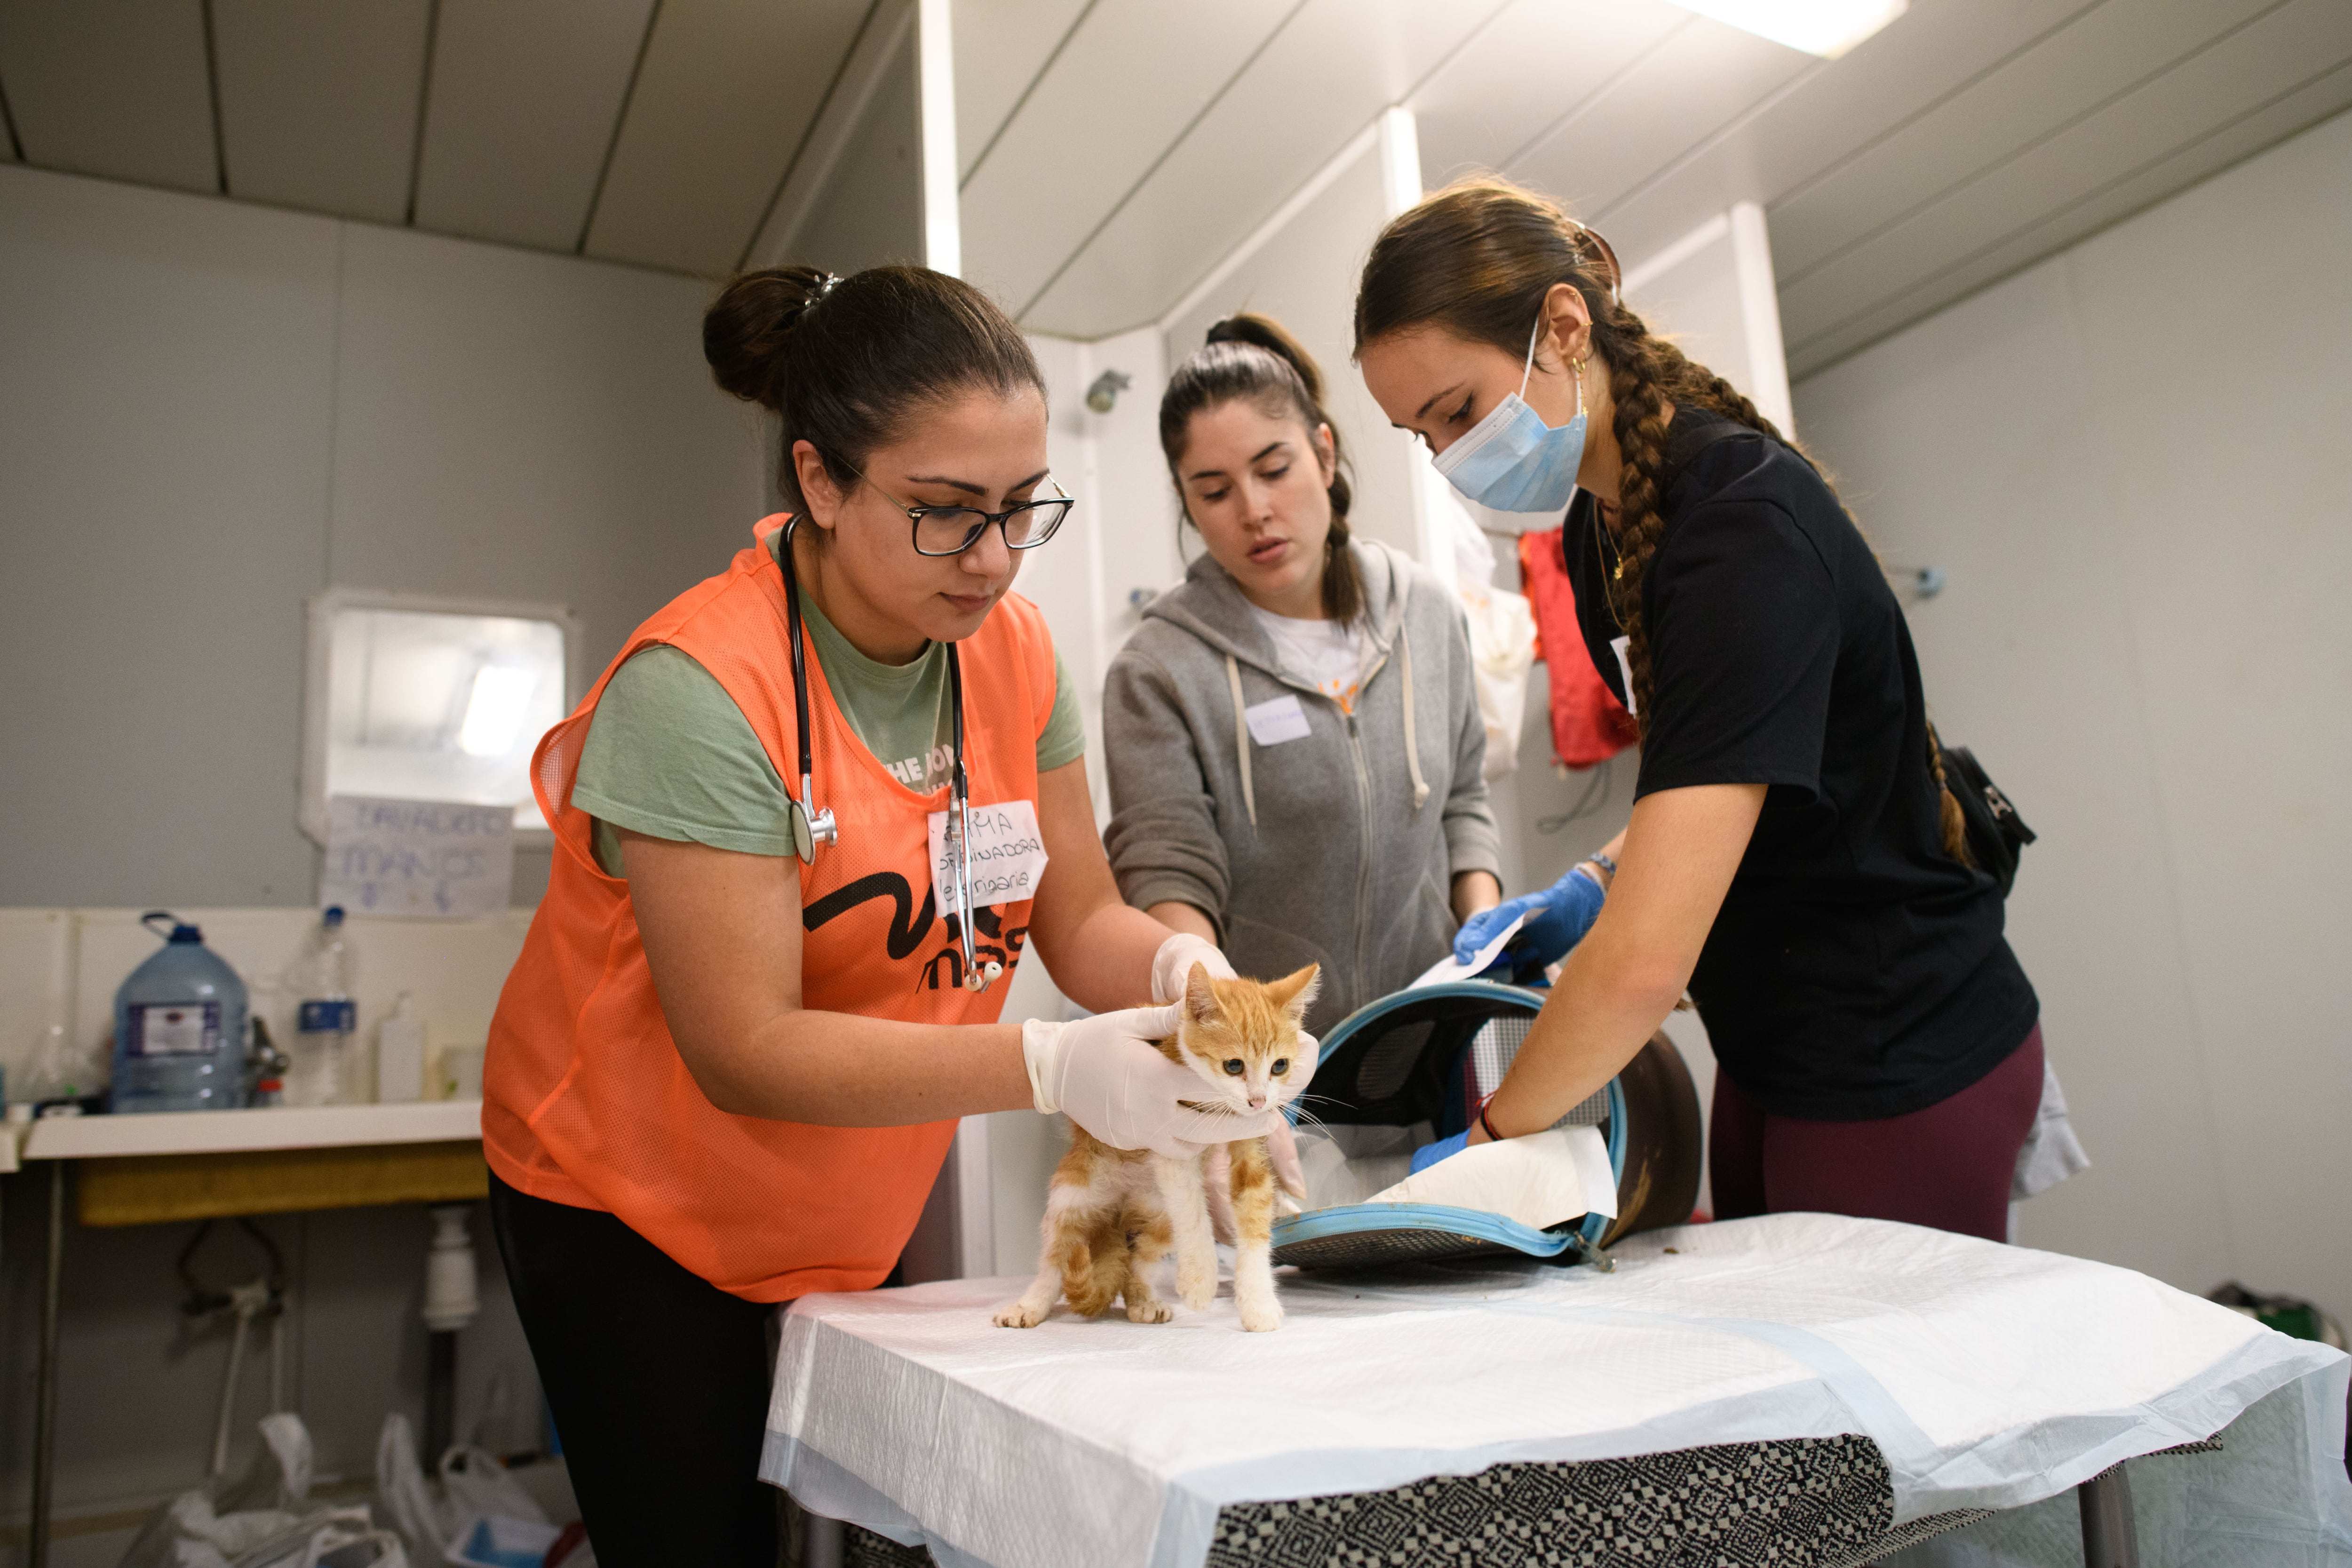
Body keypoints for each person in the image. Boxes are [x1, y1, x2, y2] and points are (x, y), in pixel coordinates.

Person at [482, 265, 1291, 1565]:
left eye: (1023, 510)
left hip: (840, 1190)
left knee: (878, 1524)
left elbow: (1078, 918)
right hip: (625, 1200)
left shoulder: (1016, 651)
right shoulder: (701, 688)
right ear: (818, 482)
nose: (993, 557)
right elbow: (744, 1041)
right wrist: (1049, 1063)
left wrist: (1195, 981)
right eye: (944, 514)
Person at [1354, 180, 2043, 1244]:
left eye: (1456, 409)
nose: (1449, 457)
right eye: (1421, 433)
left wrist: (1491, 1152)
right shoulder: (1606, 525)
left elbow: (1640, 970)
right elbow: (1718, 772)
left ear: (1563, 325)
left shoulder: (1739, 528)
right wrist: (1593, 881)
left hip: (1894, 1038)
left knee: (1867, 1408)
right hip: (1776, 1036)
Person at [1102, 314, 1502, 1035]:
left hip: (1432, 1034)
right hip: (1269, 1071)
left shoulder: (1426, 612)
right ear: (1187, 503)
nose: (1255, 511)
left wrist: (1489, 945)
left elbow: (1464, 802)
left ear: (1323, 454)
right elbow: (1168, 874)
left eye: (1273, 469)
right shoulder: (1159, 669)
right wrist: (1219, 1028)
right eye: (1215, 491)